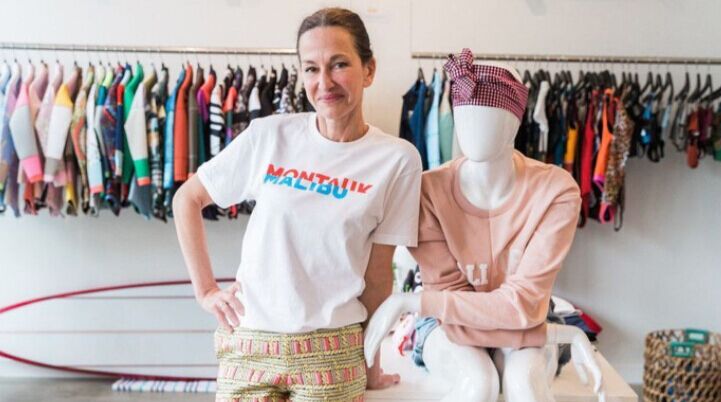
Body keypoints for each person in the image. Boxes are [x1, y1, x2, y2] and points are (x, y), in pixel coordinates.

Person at [173, 7, 422, 402]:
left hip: (332, 350)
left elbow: (378, 277)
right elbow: (187, 198)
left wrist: (372, 363)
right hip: (250, 341)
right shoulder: (269, 136)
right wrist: (206, 291)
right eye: (311, 68)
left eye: (339, 64)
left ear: (369, 70)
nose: (324, 82)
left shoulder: (397, 160)